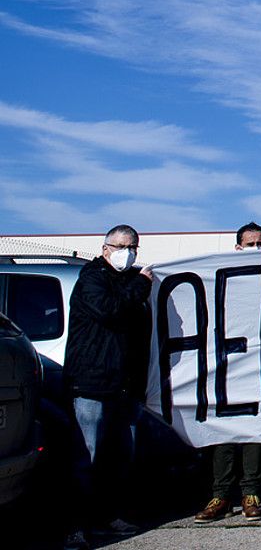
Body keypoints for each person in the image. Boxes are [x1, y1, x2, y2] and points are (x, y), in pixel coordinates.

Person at [63, 224, 155, 550]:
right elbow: (110, 310)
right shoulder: (92, 278)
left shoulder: (132, 283)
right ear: (106, 249)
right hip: (91, 385)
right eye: (121, 246)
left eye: (133, 247)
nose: (127, 252)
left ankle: (110, 515)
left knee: (121, 458)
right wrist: (142, 285)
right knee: (86, 457)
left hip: (125, 387)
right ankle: (76, 526)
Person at [195, 223, 261, 522]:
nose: (257, 247)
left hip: (259, 364)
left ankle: (251, 493)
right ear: (238, 247)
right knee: (224, 432)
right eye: (251, 243)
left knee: (254, 431)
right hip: (226, 364)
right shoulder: (220, 275)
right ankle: (221, 495)